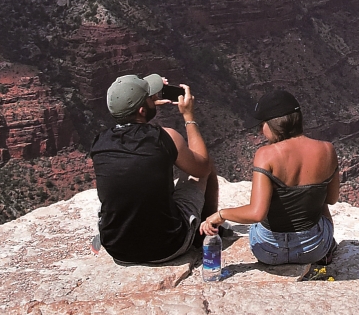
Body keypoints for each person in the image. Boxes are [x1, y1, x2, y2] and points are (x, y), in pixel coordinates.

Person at [199, 87, 339, 265]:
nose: (260, 131)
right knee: (322, 205)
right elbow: (333, 199)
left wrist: (220, 215)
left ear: (274, 124)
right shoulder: (327, 149)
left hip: (268, 251)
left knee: (260, 222)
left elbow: (256, 213)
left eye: (262, 124)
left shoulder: (265, 154)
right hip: (313, 250)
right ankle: (326, 249)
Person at [90, 72, 218, 264]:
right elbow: (202, 167)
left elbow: (134, 140)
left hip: (118, 249)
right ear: (142, 110)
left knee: (123, 188)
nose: (154, 98)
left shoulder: (99, 143)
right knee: (204, 169)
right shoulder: (166, 137)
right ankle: (205, 232)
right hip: (168, 246)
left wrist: (144, 106)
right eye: (151, 97)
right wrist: (189, 116)